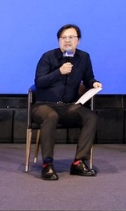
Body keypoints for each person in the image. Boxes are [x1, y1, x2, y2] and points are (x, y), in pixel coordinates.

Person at [31, 24, 102, 181]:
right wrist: (59, 72)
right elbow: (39, 82)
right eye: (63, 38)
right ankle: (47, 164)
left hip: (69, 106)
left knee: (90, 117)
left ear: (78, 40)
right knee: (51, 116)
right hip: (43, 105)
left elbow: (88, 78)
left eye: (71, 37)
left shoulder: (84, 57)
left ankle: (79, 162)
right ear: (59, 41)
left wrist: (94, 83)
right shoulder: (48, 57)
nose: (67, 41)